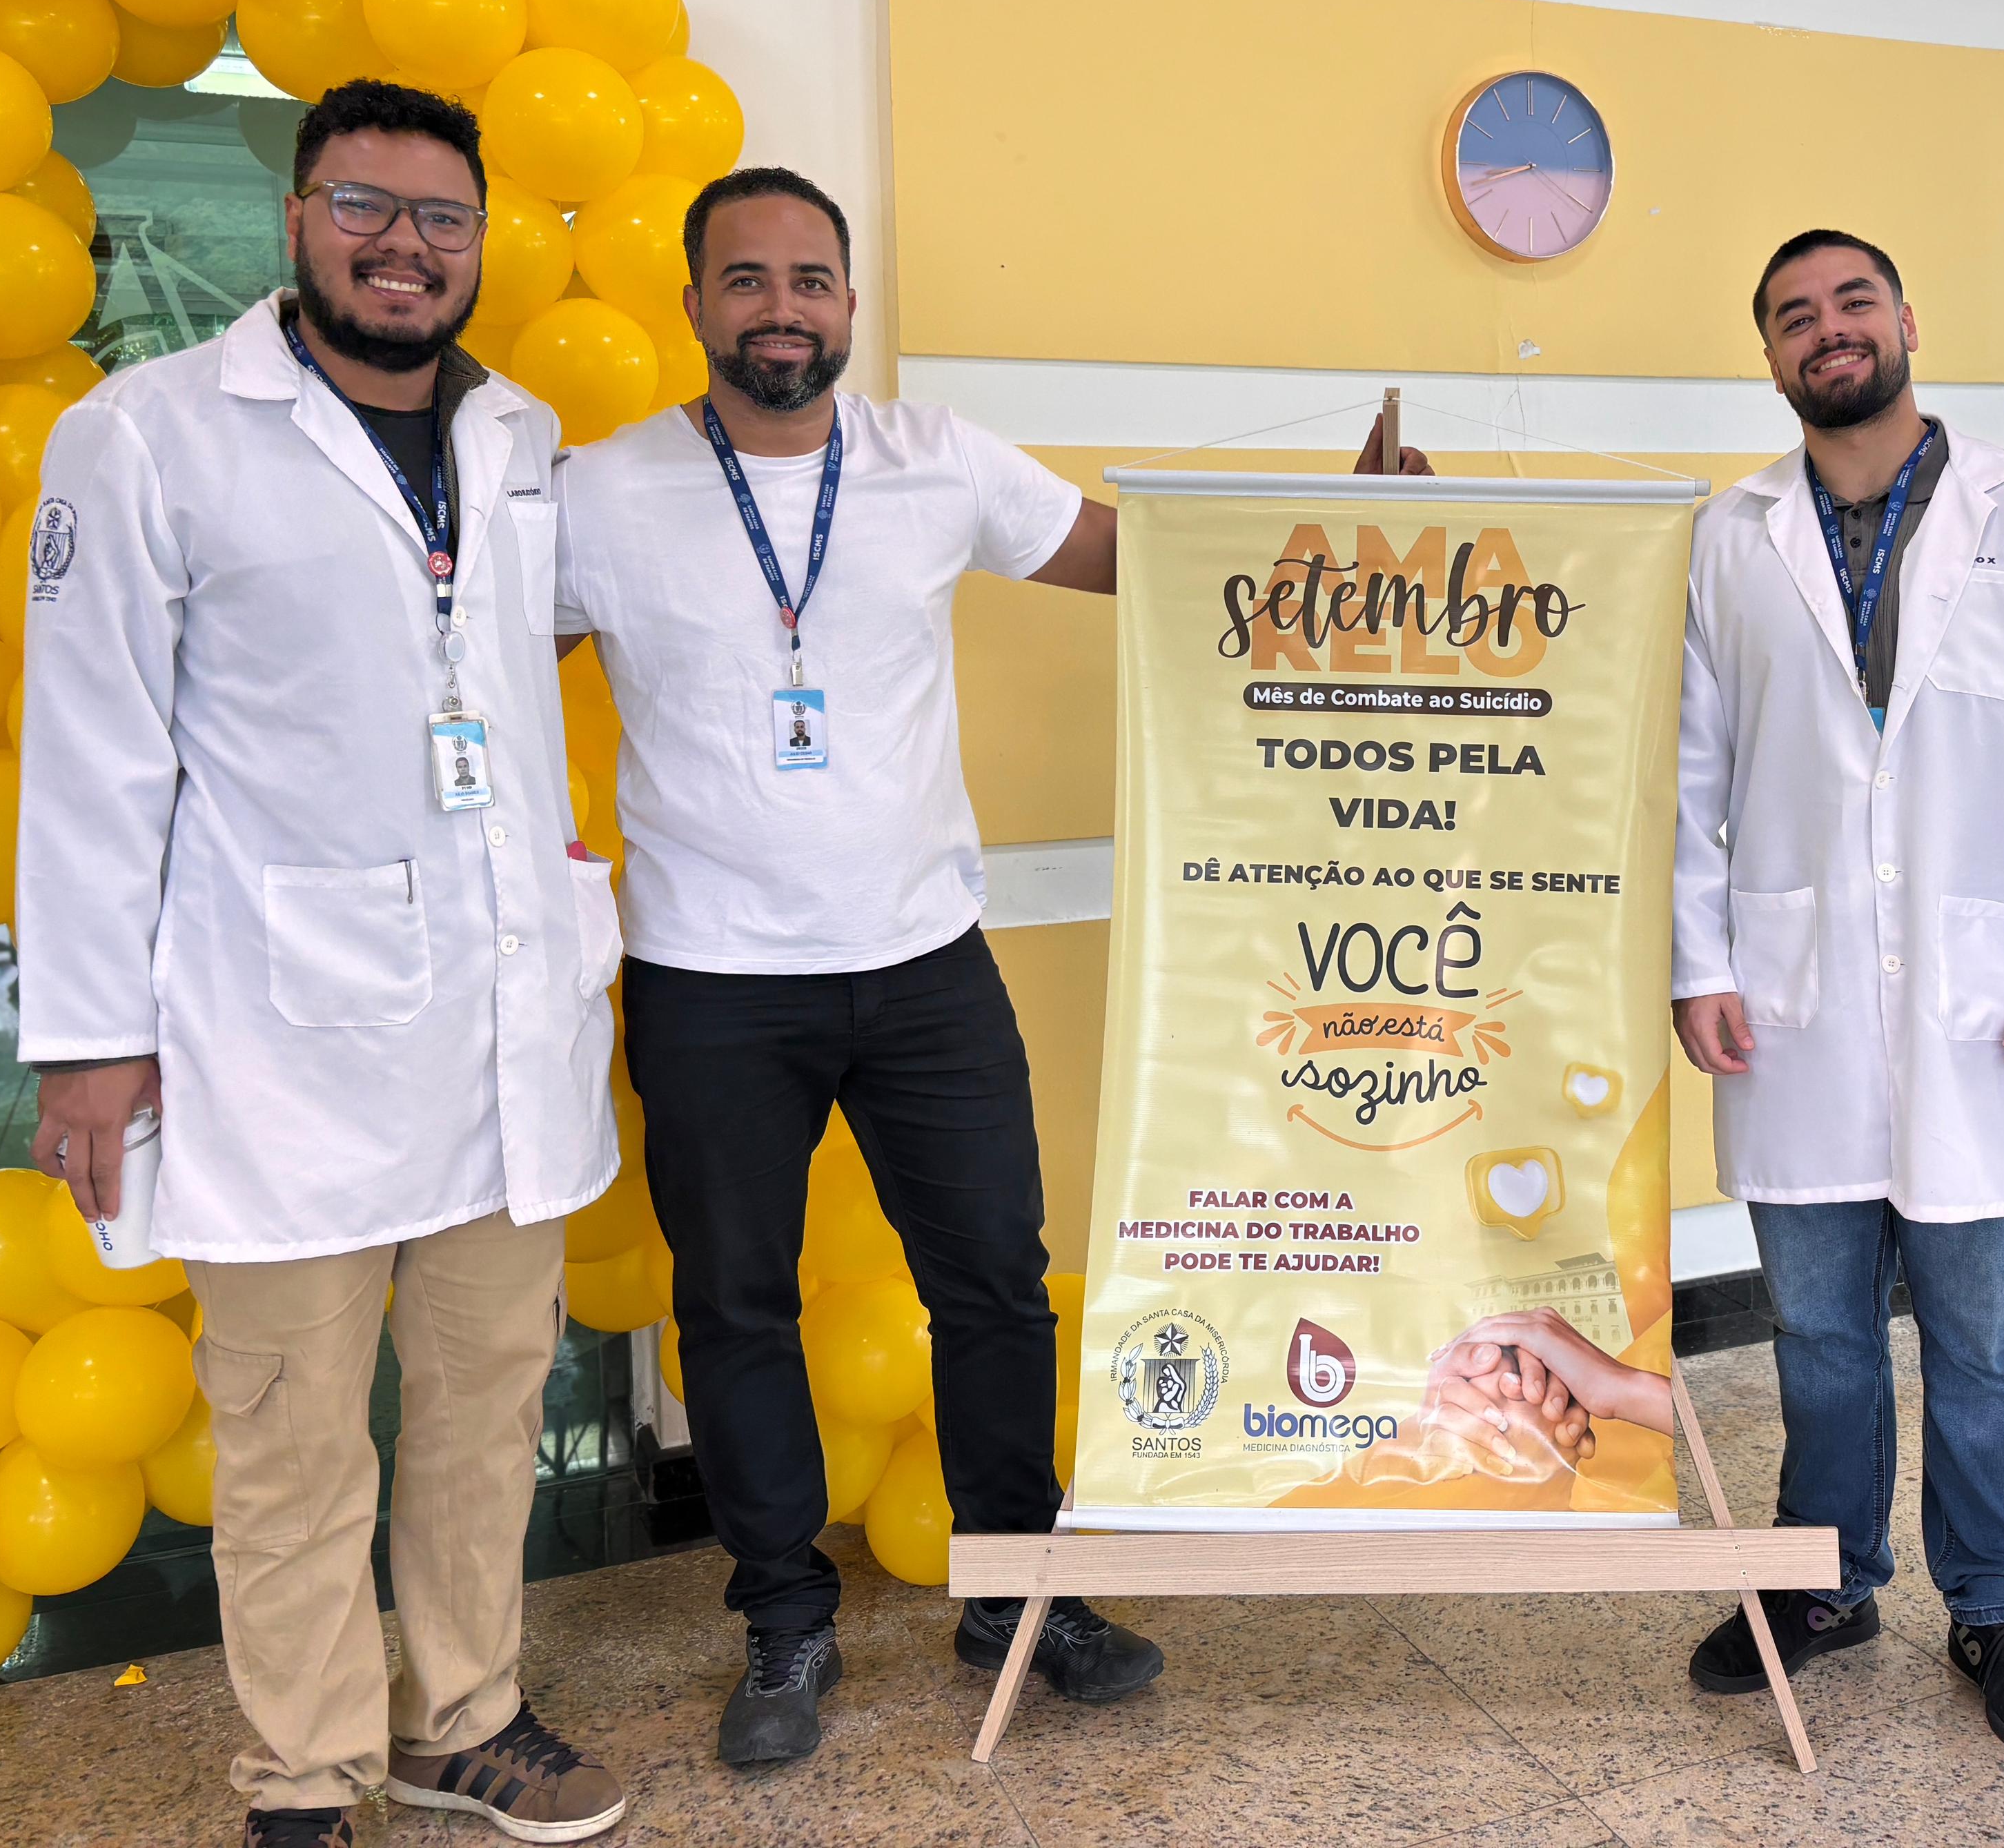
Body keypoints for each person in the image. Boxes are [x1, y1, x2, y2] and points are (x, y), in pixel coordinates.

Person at [551, 166, 1429, 1765]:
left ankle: (1020, 1595)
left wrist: (1350, 522)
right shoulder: (599, 495)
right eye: (746, 280)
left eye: (810, 280)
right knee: (735, 1307)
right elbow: (470, 664)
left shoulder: (930, 458)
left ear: (848, 304)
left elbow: (1140, 555)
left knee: (995, 1289)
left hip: (925, 969)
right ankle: (782, 1620)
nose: (781, 309)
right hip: (709, 979)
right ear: (693, 305)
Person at [17, 80, 629, 1848]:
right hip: (275, 1040)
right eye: (365, 206)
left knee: (483, 1413)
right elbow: (93, 750)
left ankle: (465, 1721)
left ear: (478, 244)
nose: (403, 246)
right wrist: (89, 1040)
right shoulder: (149, 436)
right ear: (296, 219)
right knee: (292, 1441)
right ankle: (306, 1775)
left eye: (442, 218)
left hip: (501, 1027)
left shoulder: (519, 435)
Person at [1670, 229, 2004, 1762]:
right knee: (1816, 1335)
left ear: (1905, 323)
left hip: (1984, 998)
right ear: (1769, 356)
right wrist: (1700, 961)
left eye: (1853, 302)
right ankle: (1825, 1584)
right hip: (1793, 998)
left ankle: (2000, 1605)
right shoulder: (1732, 535)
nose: (1828, 330)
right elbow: (1691, 771)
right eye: (1793, 316)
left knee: (1980, 1343)